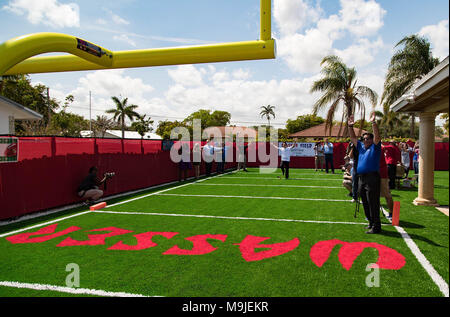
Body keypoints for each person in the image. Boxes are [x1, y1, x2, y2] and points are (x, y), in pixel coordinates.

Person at [348, 112, 382, 234]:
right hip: (362, 178)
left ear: (372, 140)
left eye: (368, 138)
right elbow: (353, 138)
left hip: (372, 178)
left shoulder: (375, 146)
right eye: (364, 138)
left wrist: (373, 123)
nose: (365, 140)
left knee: (373, 202)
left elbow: (377, 136)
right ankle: (371, 222)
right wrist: (350, 126)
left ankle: (377, 226)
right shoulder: (361, 147)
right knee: (365, 202)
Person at [379, 148, 394, 220]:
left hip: (382, 175)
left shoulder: (379, 148)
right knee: (373, 195)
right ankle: (373, 214)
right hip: (372, 174)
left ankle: (392, 213)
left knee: (387, 195)